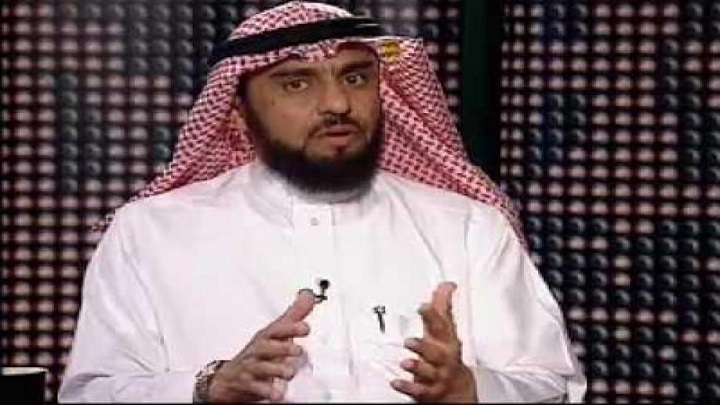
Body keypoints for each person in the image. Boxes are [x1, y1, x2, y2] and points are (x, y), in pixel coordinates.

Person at [58, 1, 586, 403]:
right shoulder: (150, 232)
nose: (337, 103)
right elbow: (90, 393)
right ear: (237, 109)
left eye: (355, 78)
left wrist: (472, 390)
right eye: (296, 83)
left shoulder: (467, 225)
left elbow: (553, 384)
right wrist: (208, 388)